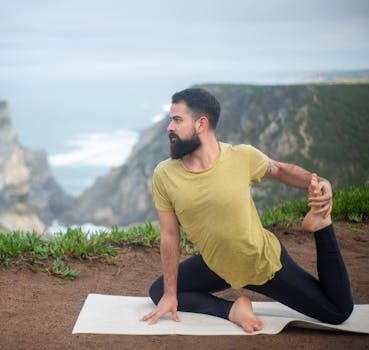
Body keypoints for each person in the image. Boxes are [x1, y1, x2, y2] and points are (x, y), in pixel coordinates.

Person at [140, 88, 353, 333]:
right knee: (160, 293)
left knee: (338, 311)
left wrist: (317, 181)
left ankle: (321, 226)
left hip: (260, 263)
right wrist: (170, 293)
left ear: (201, 124)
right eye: (170, 120)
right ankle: (233, 311)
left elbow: (280, 170)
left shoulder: (241, 156)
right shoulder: (164, 174)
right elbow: (169, 234)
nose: (170, 127)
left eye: (177, 120)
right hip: (217, 264)